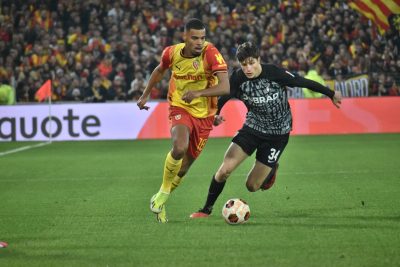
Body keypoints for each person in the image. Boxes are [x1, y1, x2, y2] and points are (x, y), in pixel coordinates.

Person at [185, 41, 342, 218]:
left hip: (278, 134)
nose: (248, 68)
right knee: (224, 170)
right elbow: (222, 98)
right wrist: (216, 115)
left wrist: (330, 94)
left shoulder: (274, 73)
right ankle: (206, 210)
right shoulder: (238, 79)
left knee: (252, 186)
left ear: (259, 60)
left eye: (252, 63)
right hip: (252, 128)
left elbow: (302, 82)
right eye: (244, 64)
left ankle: (272, 168)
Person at [136, 18, 230, 223]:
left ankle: (161, 200)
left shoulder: (211, 53)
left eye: (203, 38)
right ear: (185, 37)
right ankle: (161, 195)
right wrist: (145, 94)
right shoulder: (171, 52)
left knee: (184, 167)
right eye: (195, 38)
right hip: (180, 107)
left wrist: (198, 94)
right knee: (179, 147)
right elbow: (160, 70)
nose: (199, 42)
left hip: (205, 115)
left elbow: (225, 87)